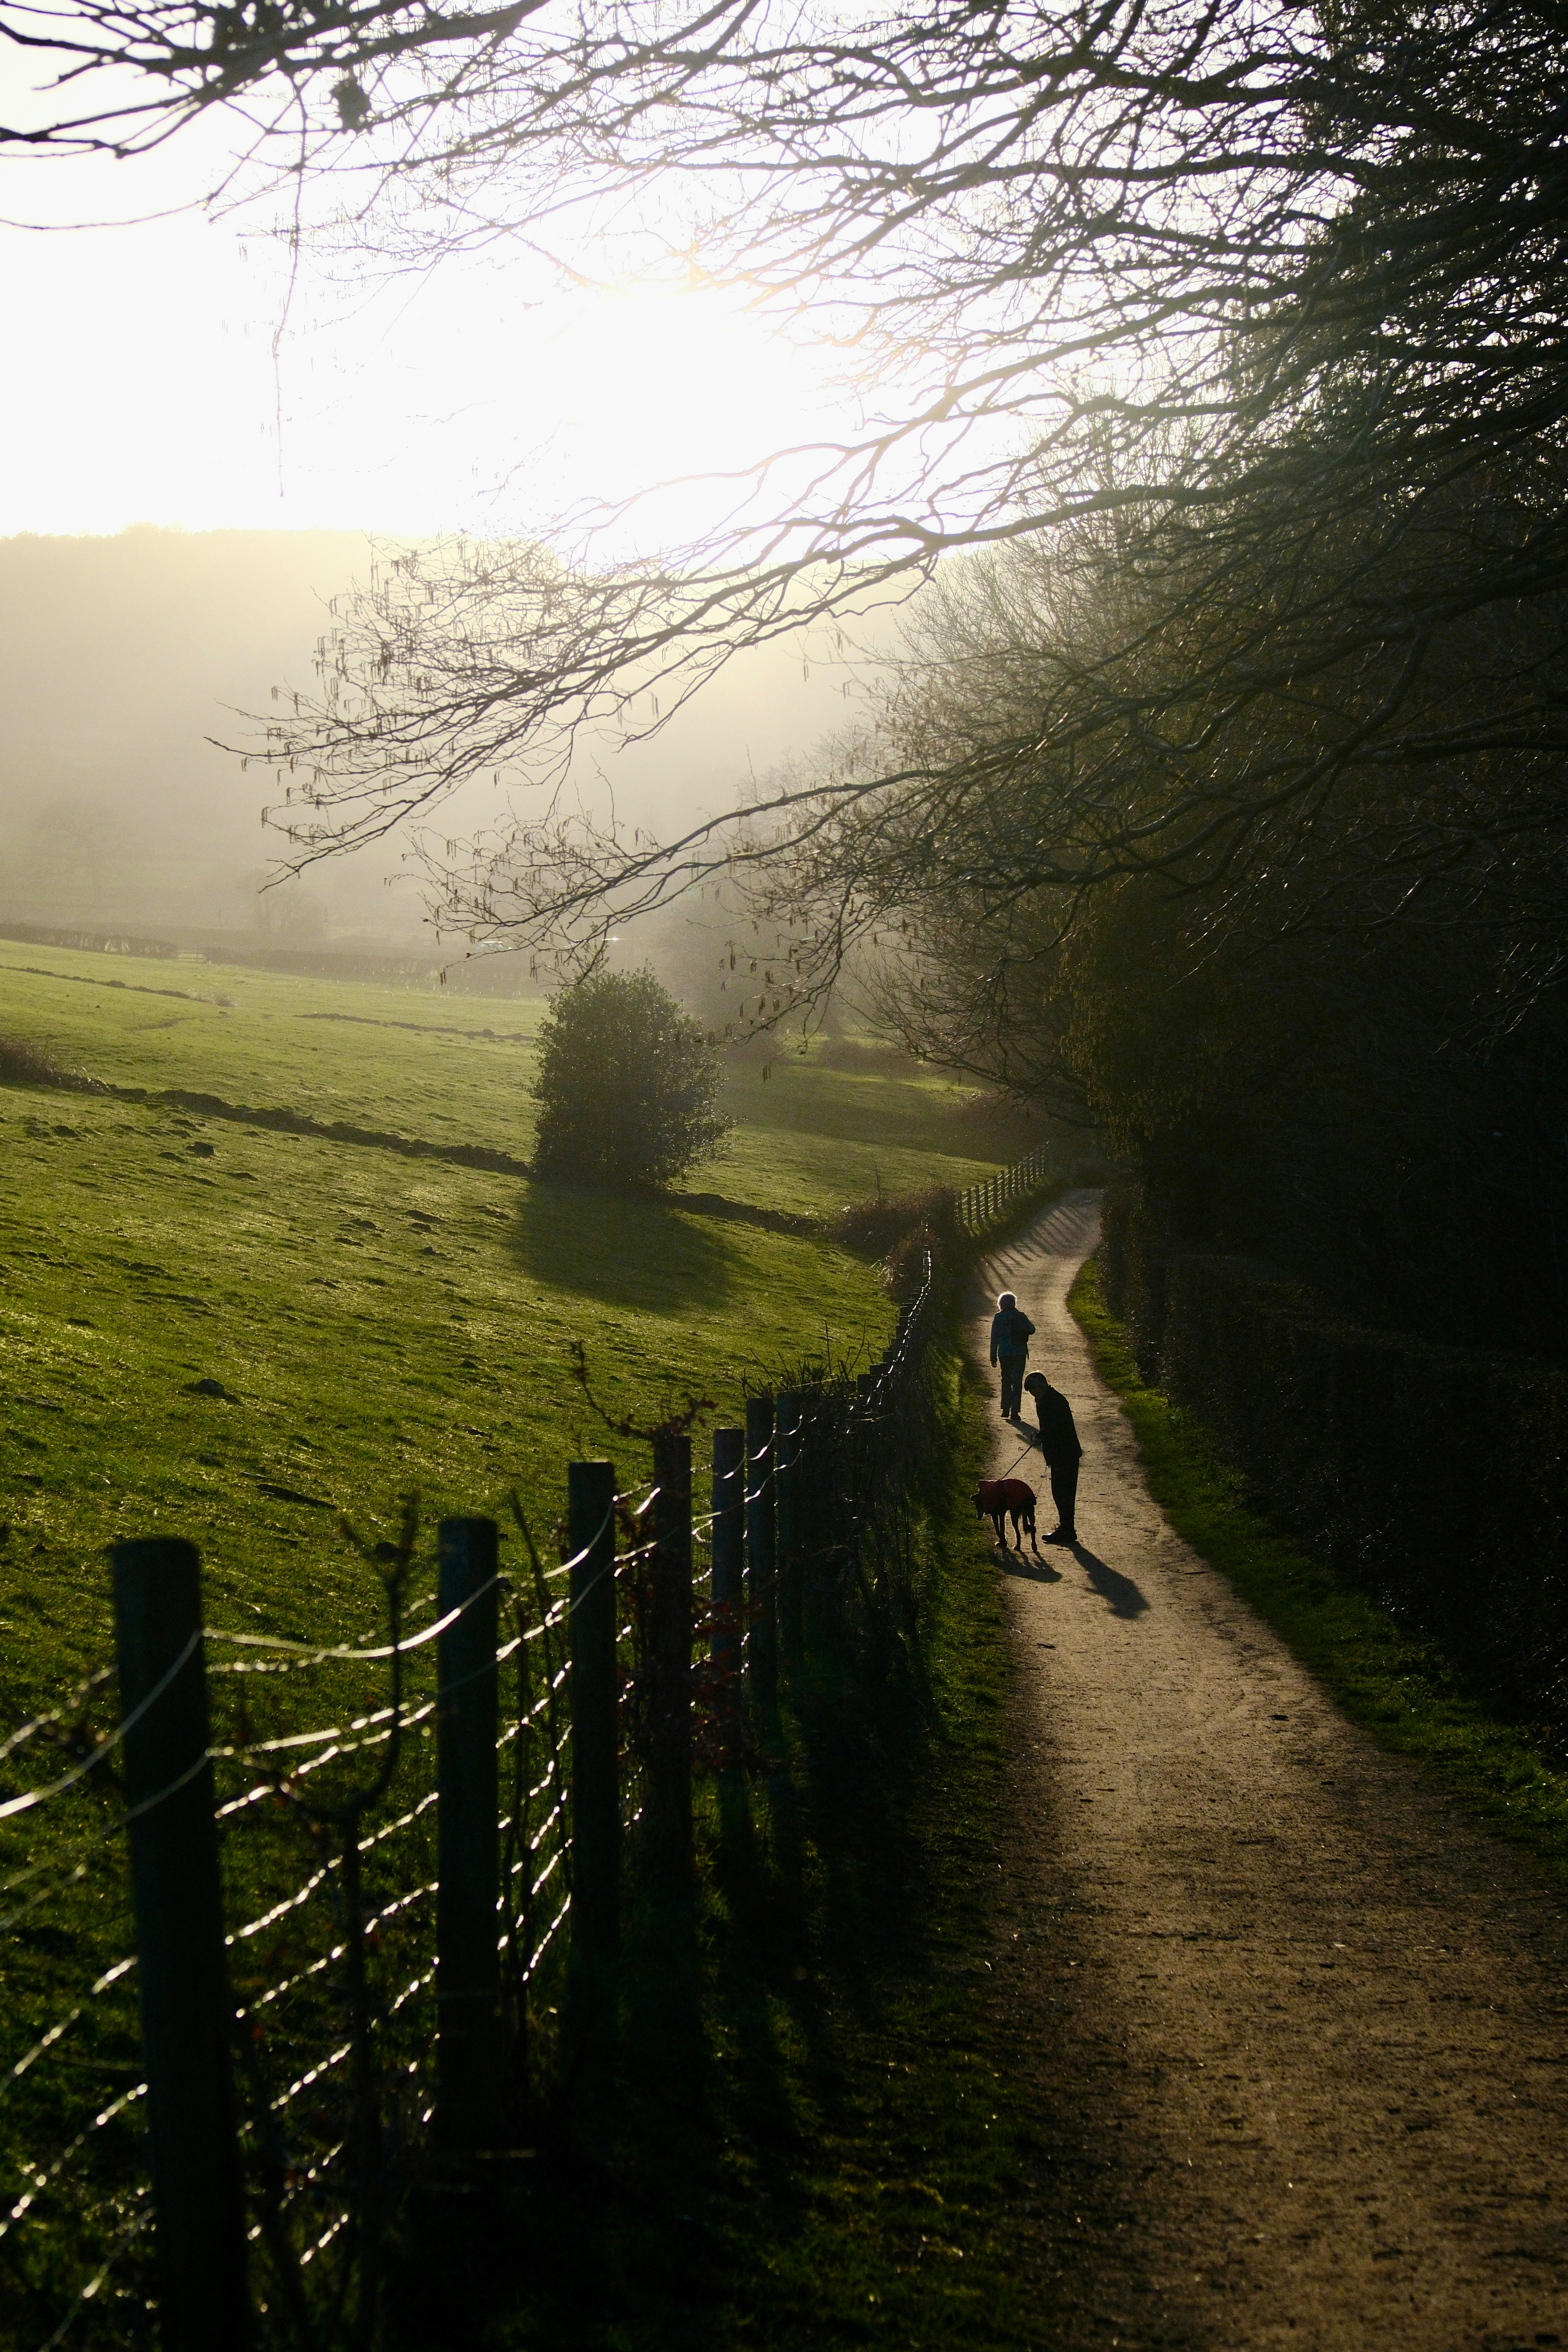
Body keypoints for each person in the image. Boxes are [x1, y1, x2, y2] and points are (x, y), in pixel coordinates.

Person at [1023, 1369, 1082, 1543]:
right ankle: (1066, 1528)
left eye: (1035, 1390)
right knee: (1060, 1493)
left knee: (1064, 1493)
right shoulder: (1045, 1400)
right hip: (1059, 1454)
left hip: (1065, 1454)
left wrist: (1042, 1437)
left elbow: (1057, 1428)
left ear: (1042, 1386)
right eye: (1031, 1392)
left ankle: (1067, 1530)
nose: (1034, 1394)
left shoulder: (1054, 1402)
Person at [989, 1290, 1035, 1419]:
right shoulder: (1021, 1316)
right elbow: (1032, 1330)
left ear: (1001, 1304)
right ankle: (1015, 1412)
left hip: (1004, 1354)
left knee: (1006, 1380)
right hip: (1019, 1353)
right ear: (1014, 1304)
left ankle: (1005, 1409)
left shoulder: (998, 1319)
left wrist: (993, 1356)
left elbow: (994, 1339)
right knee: (1017, 1382)